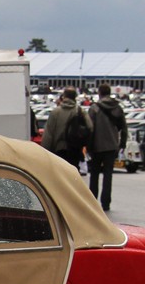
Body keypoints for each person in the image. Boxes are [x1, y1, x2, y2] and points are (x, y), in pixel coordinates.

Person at [86, 84, 127, 212]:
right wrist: (122, 144)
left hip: (96, 145)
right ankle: (106, 202)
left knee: (94, 174)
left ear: (99, 93)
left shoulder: (94, 108)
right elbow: (123, 128)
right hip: (111, 146)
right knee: (108, 175)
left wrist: (88, 146)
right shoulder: (117, 108)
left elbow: (89, 129)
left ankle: (92, 201)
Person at [41, 87, 89, 170]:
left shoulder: (56, 112)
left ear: (64, 96)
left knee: (60, 175)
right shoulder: (81, 112)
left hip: (59, 149)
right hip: (75, 149)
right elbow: (90, 127)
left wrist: (45, 153)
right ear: (75, 97)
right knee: (73, 174)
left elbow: (49, 134)